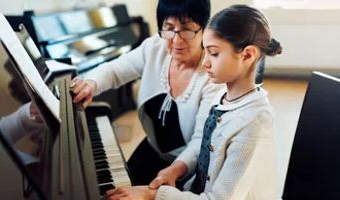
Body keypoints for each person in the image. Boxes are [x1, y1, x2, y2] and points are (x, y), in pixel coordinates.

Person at [104, 4, 282, 200]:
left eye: (213, 53)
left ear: (247, 55)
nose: (204, 62)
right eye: (205, 51)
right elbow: (203, 146)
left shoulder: (253, 122)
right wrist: (176, 169)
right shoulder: (221, 98)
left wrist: (153, 195)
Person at [71, 0, 220, 186]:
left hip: (188, 166)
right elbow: (115, 70)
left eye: (187, 29)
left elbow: (200, 141)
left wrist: (173, 171)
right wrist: (91, 83)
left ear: (205, 29)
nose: (176, 39)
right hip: (152, 149)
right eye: (169, 27)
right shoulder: (154, 48)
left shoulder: (213, 74)